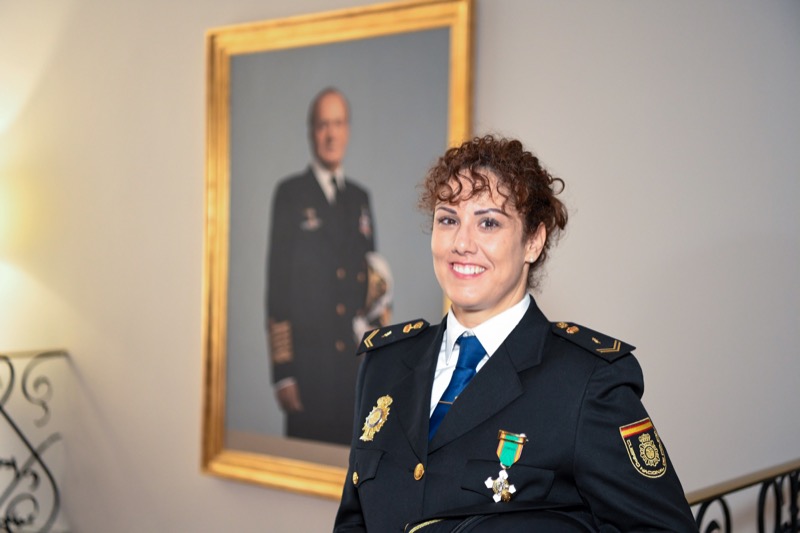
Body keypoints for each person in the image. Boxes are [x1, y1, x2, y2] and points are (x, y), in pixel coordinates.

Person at [334, 135, 697, 531]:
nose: (461, 243)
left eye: (488, 222)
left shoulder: (586, 383)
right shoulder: (384, 364)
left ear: (533, 242)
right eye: (448, 220)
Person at [266, 87, 383, 445]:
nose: (331, 134)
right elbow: (277, 287)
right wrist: (283, 372)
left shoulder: (360, 198)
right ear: (311, 132)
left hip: (353, 371)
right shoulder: (291, 194)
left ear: (348, 130)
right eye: (322, 125)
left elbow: (373, 285)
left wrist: (376, 360)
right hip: (308, 370)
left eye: (338, 123)